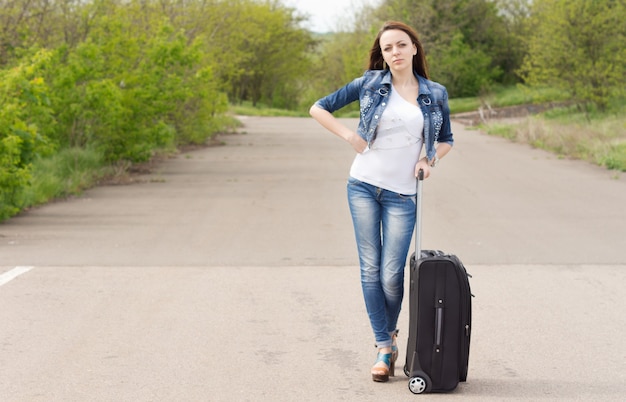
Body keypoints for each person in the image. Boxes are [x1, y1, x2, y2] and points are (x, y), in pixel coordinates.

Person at [309, 21, 454, 383]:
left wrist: (428, 159)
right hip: (362, 184)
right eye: (388, 48)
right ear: (383, 54)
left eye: (401, 45)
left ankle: (387, 338)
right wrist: (349, 136)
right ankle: (384, 347)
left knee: (391, 275)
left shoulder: (434, 93)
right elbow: (318, 108)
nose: (395, 53)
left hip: (403, 193)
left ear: (414, 48)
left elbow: (447, 139)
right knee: (370, 269)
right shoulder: (370, 83)